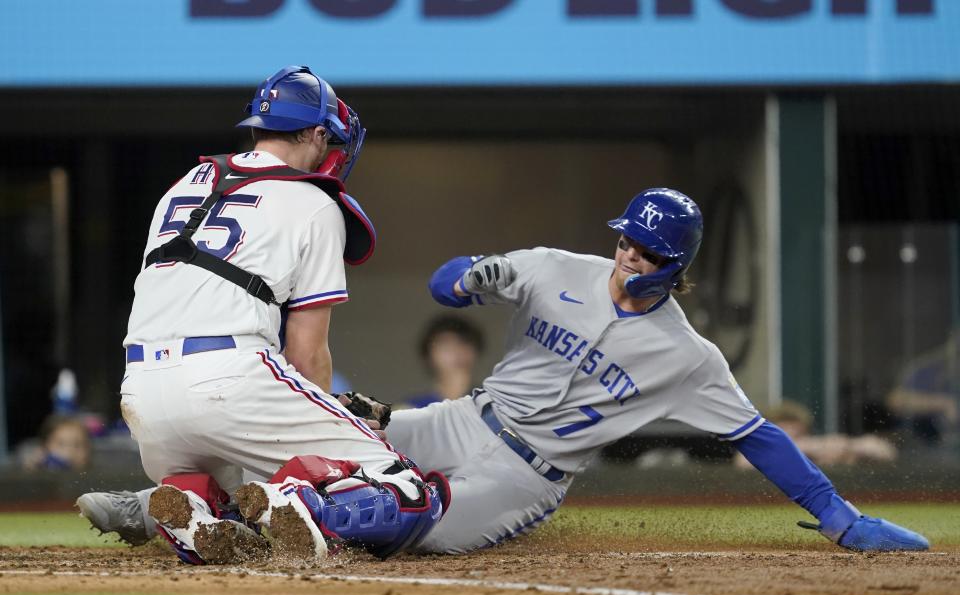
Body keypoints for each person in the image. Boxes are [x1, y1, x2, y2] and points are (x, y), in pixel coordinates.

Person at [80, 188, 927, 556]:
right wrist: (469, 276)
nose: (626, 253)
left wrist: (837, 512)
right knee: (328, 429)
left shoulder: (688, 358)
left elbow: (761, 435)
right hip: (457, 422)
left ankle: (282, 510)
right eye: (626, 238)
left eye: (644, 249)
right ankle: (184, 504)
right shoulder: (562, 264)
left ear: (676, 266)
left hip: (527, 475)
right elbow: (453, 278)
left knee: (403, 522)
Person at [88, 65, 445, 564]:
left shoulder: (184, 183)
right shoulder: (315, 204)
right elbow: (306, 351)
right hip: (230, 376)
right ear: (318, 135)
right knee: (413, 492)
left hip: (142, 396)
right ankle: (297, 499)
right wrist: (327, 413)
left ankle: (195, 505)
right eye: (331, 139)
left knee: (242, 490)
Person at [732, 399, 897, 469]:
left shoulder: (821, 444)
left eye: (797, 433)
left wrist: (847, 446)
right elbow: (742, 462)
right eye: (783, 432)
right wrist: (803, 449)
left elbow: (885, 451)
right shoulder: (758, 452)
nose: (791, 436)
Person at [405, 314, 485, 408]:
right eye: (446, 346)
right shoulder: (410, 409)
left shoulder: (494, 405)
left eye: (463, 343)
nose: (456, 352)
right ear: (429, 355)